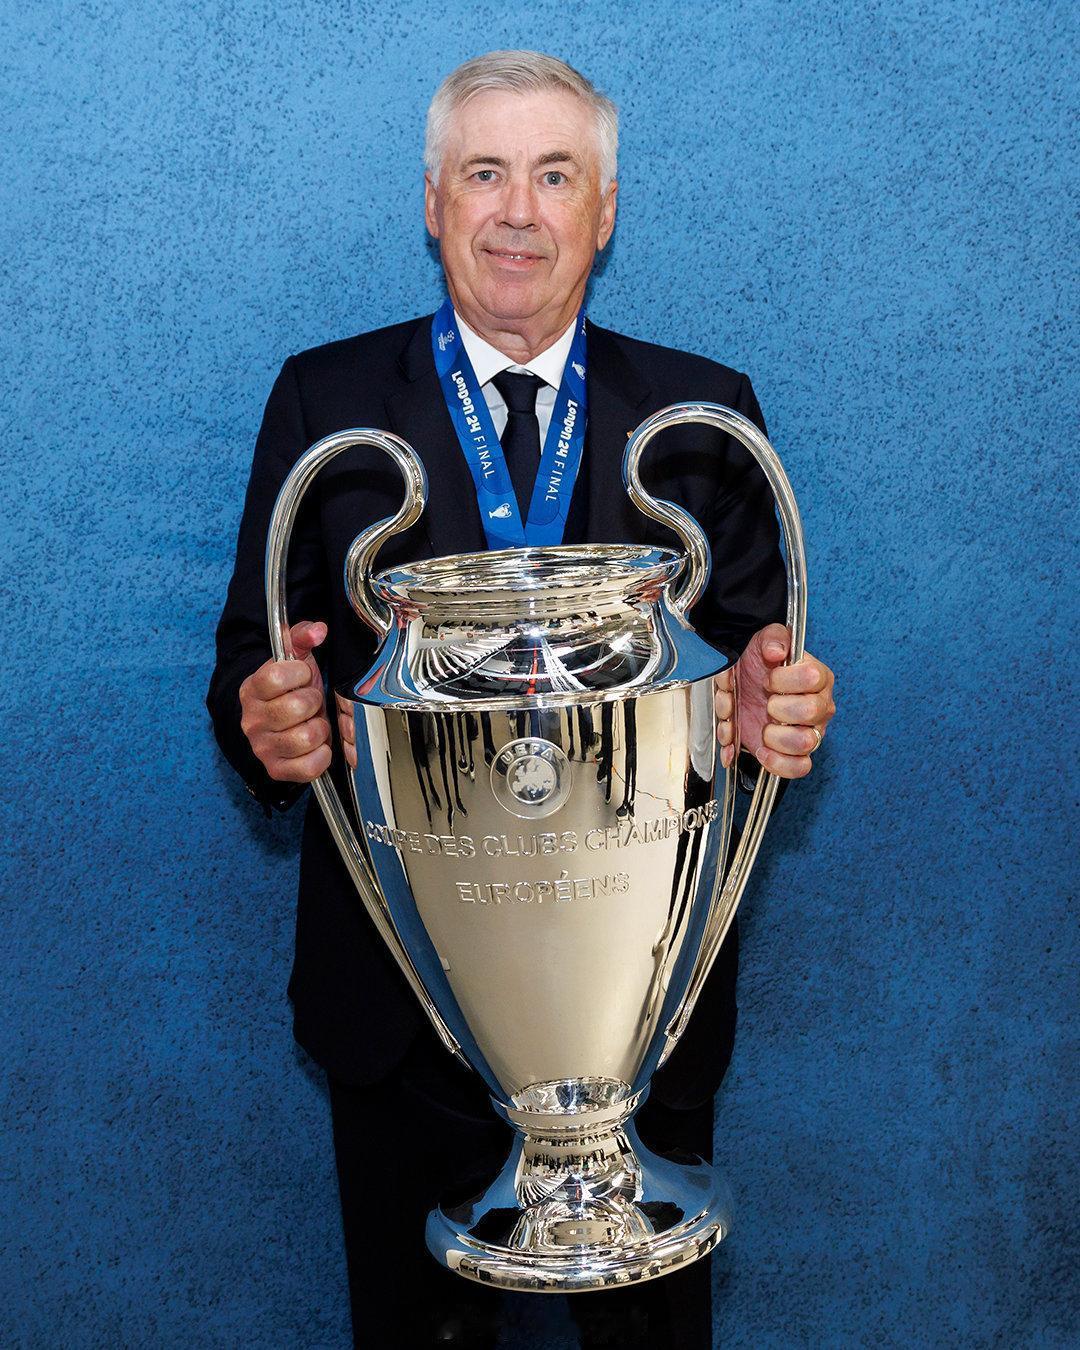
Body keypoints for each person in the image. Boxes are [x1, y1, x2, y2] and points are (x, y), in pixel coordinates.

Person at [208, 50, 836, 1350]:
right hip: (405, 1007)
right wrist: (269, 722)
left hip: (638, 1013)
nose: (517, 211)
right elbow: (247, 668)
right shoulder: (327, 401)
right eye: (485, 172)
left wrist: (765, 709)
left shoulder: (702, 415)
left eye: (556, 176)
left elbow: (755, 669)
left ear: (604, 213)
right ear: (433, 202)